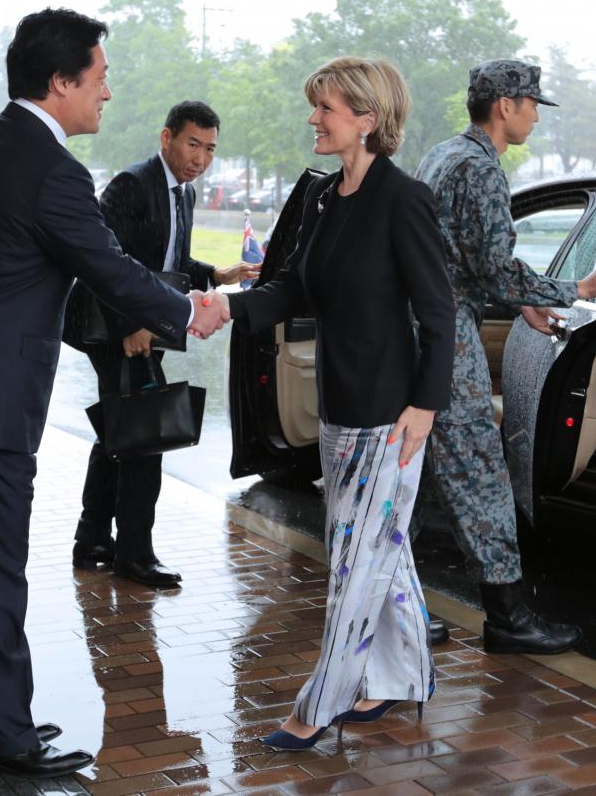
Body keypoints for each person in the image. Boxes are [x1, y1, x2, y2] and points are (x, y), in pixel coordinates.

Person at [0, 9, 224, 779]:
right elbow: (105, 263)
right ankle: (4, 735)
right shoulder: (51, 167)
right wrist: (188, 312)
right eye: (97, 79)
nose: (105, 93)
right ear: (60, 82)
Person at [207, 56, 457, 750]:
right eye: (315, 105)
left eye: (327, 107)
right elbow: (294, 288)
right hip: (340, 407)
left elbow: (439, 314)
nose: (314, 118)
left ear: (368, 120)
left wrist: (425, 408)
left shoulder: (403, 200)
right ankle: (402, 676)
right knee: (381, 548)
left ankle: (322, 702)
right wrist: (223, 306)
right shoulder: (324, 198)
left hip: (392, 416)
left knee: (352, 559)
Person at [414, 59, 596, 656]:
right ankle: (508, 618)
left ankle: (399, 606)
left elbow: (456, 256)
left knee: (411, 475)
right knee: (479, 473)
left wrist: (520, 306)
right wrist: (580, 289)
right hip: (446, 337)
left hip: (417, 329)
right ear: (506, 105)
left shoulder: (442, 156)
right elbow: (491, 266)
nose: (537, 114)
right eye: (533, 103)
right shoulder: (481, 171)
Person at [65, 101, 259, 587]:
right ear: (166, 137)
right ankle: (134, 554)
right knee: (146, 436)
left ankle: (91, 540)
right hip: (111, 325)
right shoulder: (132, 184)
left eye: (210, 149)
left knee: (121, 429)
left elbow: (169, 258)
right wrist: (134, 324)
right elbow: (105, 262)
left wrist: (216, 273)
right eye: (193, 144)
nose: (200, 157)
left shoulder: (185, 194)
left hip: (143, 324)